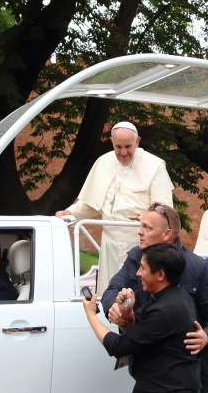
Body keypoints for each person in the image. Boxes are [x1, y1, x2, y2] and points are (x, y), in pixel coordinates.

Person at [101, 203, 208, 393]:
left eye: (147, 228)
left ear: (166, 234)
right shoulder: (136, 257)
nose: (139, 232)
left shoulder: (198, 268)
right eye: (141, 226)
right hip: (148, 371)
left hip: (185, 379)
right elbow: (113, 289)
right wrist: (114, 307)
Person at [83, 243, 202, 393]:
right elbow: (142, 330)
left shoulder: (169, 308)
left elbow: (118, 346)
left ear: (160, 275)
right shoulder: (168, 297)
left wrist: (91, 314)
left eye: (143, 268)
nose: (138, 274)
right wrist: (127, 312)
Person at [56, 121, 174, 291]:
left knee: (137, 292)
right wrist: (69, 213)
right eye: (118, 147)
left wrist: (148, 218)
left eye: (128, 146)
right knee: (109, 291)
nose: (123, 152)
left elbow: (164, 209)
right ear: (111, 142)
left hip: (140, 242)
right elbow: (91, 203)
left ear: (137, 141)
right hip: (109, 242)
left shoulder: (155, 166)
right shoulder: (103, 162)